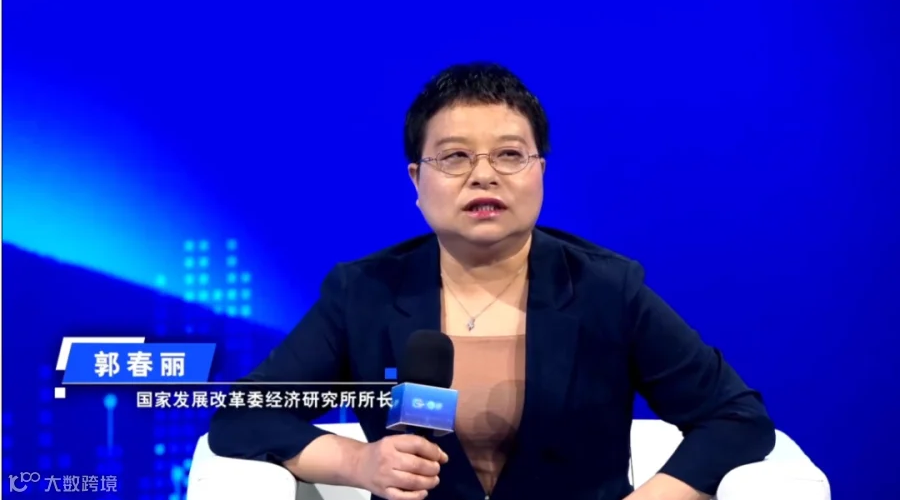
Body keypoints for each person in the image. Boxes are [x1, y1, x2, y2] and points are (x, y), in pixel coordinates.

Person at [208, 62, 776, 500]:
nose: (484, 175)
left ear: (540, 172)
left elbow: (735, 417)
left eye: (509, 155)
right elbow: (245, 416)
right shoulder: (365, 293)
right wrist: (360, 462)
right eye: (455, 157)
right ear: (416, 180)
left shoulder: (607, 289)